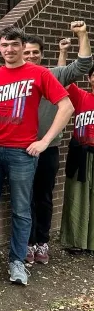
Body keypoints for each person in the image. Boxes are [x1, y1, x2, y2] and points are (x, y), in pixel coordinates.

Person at [0, 28, 73, 286]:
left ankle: (17, 261)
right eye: (5, 45)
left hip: (22, 152)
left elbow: (67, 106)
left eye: (15, 45)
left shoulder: (39, 73)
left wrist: (44, 141)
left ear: (22, 46)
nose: (10, 49)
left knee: (21, 209)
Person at [22, 21, 92, 265]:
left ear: (41, 56)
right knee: (24, 199)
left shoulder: (50, 75)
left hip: (48, 149)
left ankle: (41, 242)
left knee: (43, 197)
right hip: (19, 151)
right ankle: (27, 244)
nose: (30, 56)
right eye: (26, 52)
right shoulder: (11, 79)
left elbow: (83, 65)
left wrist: (82, 34)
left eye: (35, 53)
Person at [59, 68, 94, 252]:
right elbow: (63, 79)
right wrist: (63, 53)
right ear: (89, 79)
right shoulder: (81, 96)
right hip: (80, 153)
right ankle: (76, 241)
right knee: (77, 197)